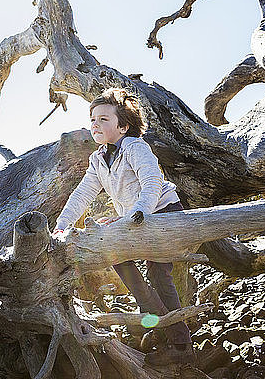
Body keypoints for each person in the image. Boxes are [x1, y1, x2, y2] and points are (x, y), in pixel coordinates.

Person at [53, 88, 194, 366]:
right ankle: (156, 324)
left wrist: (134, 214)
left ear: (123, 126)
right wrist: (61, 225)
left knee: (157, 274)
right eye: (92, 118)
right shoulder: (98, 159)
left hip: (161, 211)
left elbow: (152, 181)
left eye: (104, 119)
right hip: (134, 219)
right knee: (115, 257)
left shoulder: (134, 146)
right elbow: (82, 194)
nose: (95, 124)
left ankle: (181, 345)